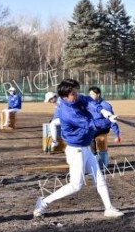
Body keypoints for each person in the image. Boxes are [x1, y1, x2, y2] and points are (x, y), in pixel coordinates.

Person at [33, 79, 124, 219]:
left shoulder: (74, 98)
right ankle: (43, 202)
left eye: (77, 91)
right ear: (65, 97)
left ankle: (109, 208)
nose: (77, 95)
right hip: (76, 151)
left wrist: (103, 111)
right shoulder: (68, 112)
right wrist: (108, 121)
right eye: (74, 93)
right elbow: (91, 124)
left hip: (85, 148)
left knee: (99, 178)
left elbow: (87, 100)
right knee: (75, 185)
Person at [87, 86, 120, 169]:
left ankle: (95, 158)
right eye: (89, 94)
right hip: (95, 125)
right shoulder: (90, 104)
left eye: (92, 94)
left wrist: (117, 135)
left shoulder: (106, 105)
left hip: (103, 127)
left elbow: (112, 121)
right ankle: (92, 157)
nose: (90, 96)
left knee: (90, 135)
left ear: (98, 94)